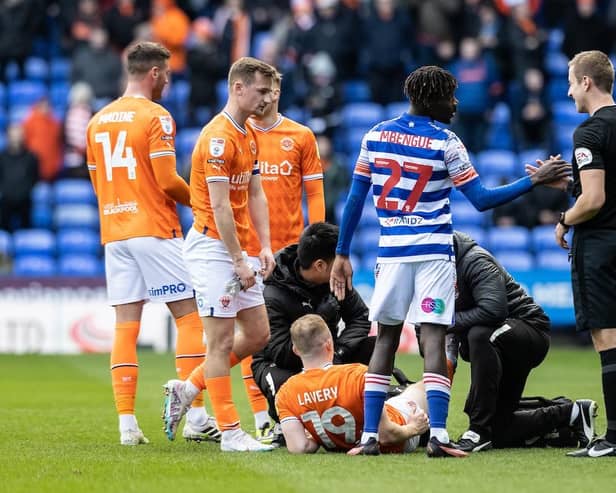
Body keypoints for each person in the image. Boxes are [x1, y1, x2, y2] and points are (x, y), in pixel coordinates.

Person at [330, 65, 570, 457]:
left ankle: (370, 437)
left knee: (386, 338)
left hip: (390, 253)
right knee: (435, 338)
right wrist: (535, 180)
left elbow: (356, 199)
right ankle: (439, 436)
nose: (456, 104)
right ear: (431, 99)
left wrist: (342, 251)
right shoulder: (446, 142)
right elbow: (482, 199)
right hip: (432, 255)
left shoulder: (374, 135)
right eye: (450, 96)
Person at [86, 42, 212, 445]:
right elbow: (167, 180)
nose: (169, 83)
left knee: (125, 325)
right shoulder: (156, 116)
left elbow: (97, 184)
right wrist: (204, 202)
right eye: (167, 75)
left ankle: (127, 425)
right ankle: (195, 416)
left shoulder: (97, 121)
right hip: (154, 228)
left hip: (115, 231)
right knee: (189, 317)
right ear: (154, 73)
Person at [162, 57, 277, 452]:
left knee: (259, 333)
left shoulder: (249, 133)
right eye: (262, 91)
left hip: (240, 246)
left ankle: (189, 387)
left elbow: (255, 193)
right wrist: (239, 259)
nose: (268, 98)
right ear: (238, 88)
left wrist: (263, 245)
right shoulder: (217, 138)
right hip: (214, 248)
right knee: (221, 341)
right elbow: (221, 205)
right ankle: (230, 432)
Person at [447, 231, 597, 452]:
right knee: (498, 427)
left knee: (480, 334)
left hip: (528, 329)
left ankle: (477, 431)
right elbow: (428, 325)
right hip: (498, 340)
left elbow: (493, 310)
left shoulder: (474, 260)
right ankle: (570, 413)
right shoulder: (432, 270)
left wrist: (446, 323)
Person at [241, 70, 325, 439]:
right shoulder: (238, 134)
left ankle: (303, 407)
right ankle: (262, 416)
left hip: (291, 259)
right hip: (248, 251)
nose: (261, 97)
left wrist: (320, 245)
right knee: (253, 335)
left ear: (277, 91)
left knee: (293, 337)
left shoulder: (301, 136)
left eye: (266, 90)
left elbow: (315, 196)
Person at [251, 222, 374, 441]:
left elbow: (360, 317)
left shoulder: (335, 279)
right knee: (279, 380)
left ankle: (370, 415)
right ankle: (287, 423)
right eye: (340, 259)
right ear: (320, 265)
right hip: (283, 364)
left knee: (376, 347)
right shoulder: (273, 293)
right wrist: (321, 318)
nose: (345, 265)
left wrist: (338, 354)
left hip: (329, 355)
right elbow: (279, 350)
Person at [552, 50, 616, 458]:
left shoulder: (589, 133)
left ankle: (614, 438)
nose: (570, 90)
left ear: (587, 83)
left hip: (602, 244)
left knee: (608, 337)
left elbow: (594, 200)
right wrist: (568, 185)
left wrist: (564, 218)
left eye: (573, 82)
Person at [275, 314, 429, 454]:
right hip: (397, 438)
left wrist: (318, 433)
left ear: (295, 350)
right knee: (425, 386)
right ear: (329, 344)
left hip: (344, 443)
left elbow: (299, 447)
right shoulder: (356, 373)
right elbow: (386, 435)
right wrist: (413, 428)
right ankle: (439, 437)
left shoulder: (286, 392)